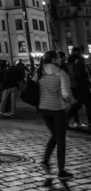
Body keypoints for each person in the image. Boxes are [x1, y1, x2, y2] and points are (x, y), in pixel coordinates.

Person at [37, 50, 76, 180]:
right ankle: (61, 170)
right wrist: (72, 101)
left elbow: (33, 85)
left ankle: (45, 160)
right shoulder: (61, 73)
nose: (61, 59)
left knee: (55, 135)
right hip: (57, 109)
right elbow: (65, 94)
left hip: (43, 108)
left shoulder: (39, 71)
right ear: (53, 60)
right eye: (59, 57)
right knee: (61, 140)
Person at [65, 46, 91, 129]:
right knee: (87, 105)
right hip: (82, 87)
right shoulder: (80, 60)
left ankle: (75, 121)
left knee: (76, 105)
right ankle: (89, 122)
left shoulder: (67, 62)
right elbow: (82, 75)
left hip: (73, 87)